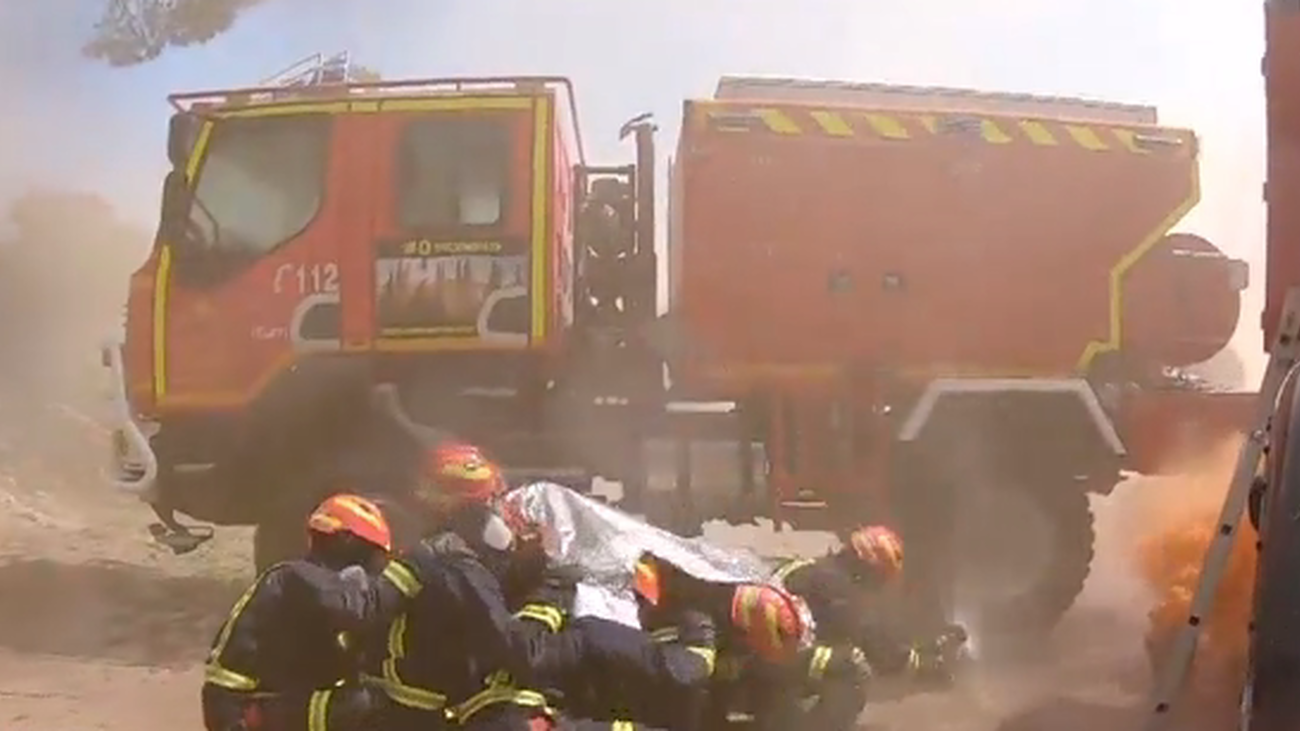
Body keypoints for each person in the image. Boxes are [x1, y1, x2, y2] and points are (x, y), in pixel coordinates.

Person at [201, 493, 400, 731]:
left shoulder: (284, 580)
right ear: (346, 541)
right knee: (373, 706)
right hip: (258, 713)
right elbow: (350, 609)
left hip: (265, 707)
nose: (374, 566)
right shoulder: (299, 580)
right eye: (372, 554)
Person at [756, 524, 966, 730]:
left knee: (831, 658)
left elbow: (868, 631)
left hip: (759, 654)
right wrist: (925, 666)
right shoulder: (837, 588)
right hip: (769, 664)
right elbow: (873, 645)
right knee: (851, 670)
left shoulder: (818, 570)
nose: (878, 586)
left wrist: (925, 647)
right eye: (879, 577)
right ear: (866, 568)